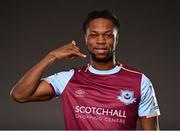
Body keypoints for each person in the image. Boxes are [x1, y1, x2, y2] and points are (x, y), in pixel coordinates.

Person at [10, 10, 160, 130]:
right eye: (94, 35)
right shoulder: (68, 79)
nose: (101, 41)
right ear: (86, 39)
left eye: (108, 35)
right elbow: (19, 95)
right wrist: (51, 56)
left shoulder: (140, 81)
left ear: (116, 39)